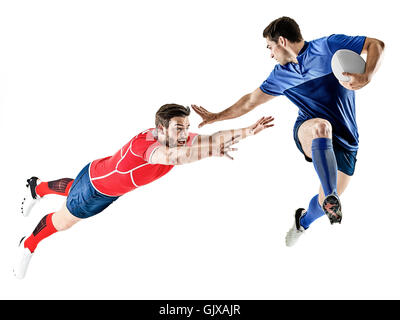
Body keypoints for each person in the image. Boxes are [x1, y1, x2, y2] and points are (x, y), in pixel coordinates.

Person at [14, 103, 274, 279]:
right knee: (62, 222)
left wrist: (248, 131)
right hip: (95, 191)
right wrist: (207, 152)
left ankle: (36, 187)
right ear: (161, 129)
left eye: (185, 127)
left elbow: (213, 137)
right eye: (178, 128)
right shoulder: (149, 147)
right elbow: (174, 158)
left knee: (73, 188)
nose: (185, 133)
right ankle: (28, 243)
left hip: (99, 175)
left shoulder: (172, 137)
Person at [191, 16, 385, 246]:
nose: (270, 54)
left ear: (282, 41)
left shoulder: (328, 46)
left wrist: (367, 75)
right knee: (323, 127)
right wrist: (216, 116)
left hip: (347, 140)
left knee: (323, 205)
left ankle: (303, 221)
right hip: (309, 129)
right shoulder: (280, 76)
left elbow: (376, 45)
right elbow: (249, 102)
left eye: (270, 47)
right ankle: (331, 194)